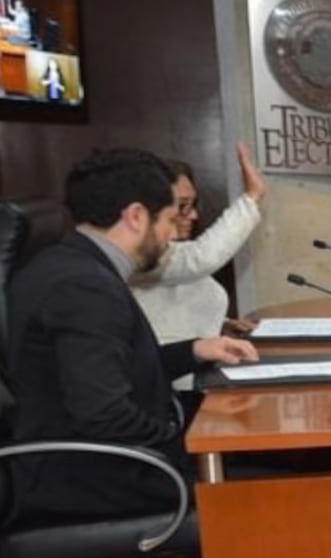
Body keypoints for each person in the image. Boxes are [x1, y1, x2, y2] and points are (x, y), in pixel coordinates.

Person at [5, 148, 258, 525]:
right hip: (94, 478)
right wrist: (182, 437)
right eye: (171, 219)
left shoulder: (66, 264)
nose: (173, 235)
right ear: (136, 216)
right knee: (273, 487)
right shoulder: (86, 287)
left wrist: (194, 350)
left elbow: (110, 369)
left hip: (74, 463)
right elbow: (104, 415)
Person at [130, 143, 264, 352]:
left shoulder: (173, 252)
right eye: (182, 206)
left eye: (192, 205)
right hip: (167, 372)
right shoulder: (134, 253)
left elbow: (170, 304)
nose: (193, 215)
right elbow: (200, 258)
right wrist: (252, 197)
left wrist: (222, 322)